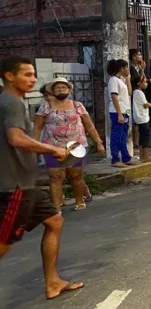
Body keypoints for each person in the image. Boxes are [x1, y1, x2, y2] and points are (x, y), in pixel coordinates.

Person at [0, 57, 84, 299]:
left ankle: (53, 282)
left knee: (54, 222)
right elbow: (17, 139)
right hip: (14, 185)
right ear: (9, 75)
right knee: (4, 243)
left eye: (33, 74)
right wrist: (52, 150)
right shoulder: (11, 103)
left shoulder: (11, 101)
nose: (33, 79)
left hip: (26, 183)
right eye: (26, 74)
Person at [33, 77, 104, 211]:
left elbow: (89, 125)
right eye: (58, 87)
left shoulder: (77, 105)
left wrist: (98, 142)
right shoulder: (45, 107)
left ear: (69, 90)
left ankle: (79, 200)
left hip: (76, 146)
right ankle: (56, 207)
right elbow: (37, 127)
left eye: (64, 87)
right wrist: (35, 146)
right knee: (55, 177)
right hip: (52, 146)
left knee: (76, 175)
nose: (61, 89)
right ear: (53, 91)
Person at [106, 59, 133, 167]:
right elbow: (114, 96)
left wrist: (128, 79)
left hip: (125, 110)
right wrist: (119, 114)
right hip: (117, 111)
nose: (127, 69)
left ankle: (126, 157)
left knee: (123, 135)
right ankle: (115, 158)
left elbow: (130, 93)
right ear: (121, 69)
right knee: (116, 135)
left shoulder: (121, 80)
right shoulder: (113, 80)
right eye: (126, 67)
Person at [132, 75, 151, 163]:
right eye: (144, 82)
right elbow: (145, 104)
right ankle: (145, 156)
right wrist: (149, 104)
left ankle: (142, 156)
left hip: (140, 117)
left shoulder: (135, 92)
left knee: (143, 137)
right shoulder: (139, 92)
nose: (146, 84)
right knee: (145, 137)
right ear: (139, 83)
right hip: (142, 117)